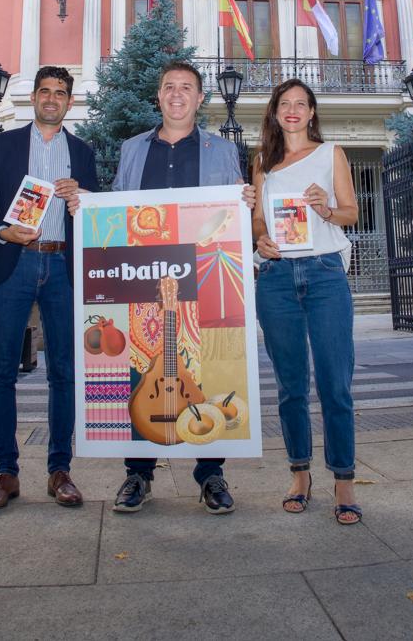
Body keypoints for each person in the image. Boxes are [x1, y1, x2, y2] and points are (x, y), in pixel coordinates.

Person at [110, 60, 255, 515]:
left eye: (186, 88)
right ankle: (138, 473)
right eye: (169, 87)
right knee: (143, 364)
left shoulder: (221, 150)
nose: (177, 94)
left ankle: (210, 474)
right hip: (144, 275)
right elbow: (117, 204)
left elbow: (230, 215)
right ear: (159, 97)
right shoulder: (133, 148)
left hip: (203, 276)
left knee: (205, 369)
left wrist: (244, 201)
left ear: (198, 98)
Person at [0, 66, 100, 512]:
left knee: (64, 372)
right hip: (15, 264)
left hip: (63, 264)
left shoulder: (82, 152)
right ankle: (6, 472)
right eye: (44, 91)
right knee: (2, 370)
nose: (51, 98)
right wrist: (4, 231)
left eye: (60, 92)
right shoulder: (4, 145)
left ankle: (59, 471)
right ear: (35, 99)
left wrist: (80, 196)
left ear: (69, 102)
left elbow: (98, 210)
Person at [251, 78, 362, 524]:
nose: (293, 110)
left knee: (335, 384)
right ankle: (299, 473)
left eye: (301, 104)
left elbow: (352, 213)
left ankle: (344, 480)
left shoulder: (331, 152)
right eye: (285, 104)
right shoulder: (262, 162)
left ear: (312, 112)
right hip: (276, 278)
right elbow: (259, 219)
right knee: (290, 386)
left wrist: (325, 208)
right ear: (275, 112)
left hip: (324, 274)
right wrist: (261, 239)